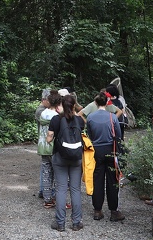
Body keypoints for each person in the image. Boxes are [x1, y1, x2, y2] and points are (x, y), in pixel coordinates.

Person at [47, 93, 85, 231]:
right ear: (74, 105)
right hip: (76, 158)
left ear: (61, 105)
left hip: (60, 157)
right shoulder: (79, 121)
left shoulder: (56, 120)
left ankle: (60, 223)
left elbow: (49, 139)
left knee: (61, 189)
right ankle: (76, 222)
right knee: (75, 189)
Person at [85, 92, 125, 222]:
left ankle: (97, 210)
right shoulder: (112, 117)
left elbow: (89, 134)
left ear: (96, 103)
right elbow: (118, 135)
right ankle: (114, 211)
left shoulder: (90, 117)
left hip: (96, 151)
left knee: (97, 180)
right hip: (111, 150)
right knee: (113, 180)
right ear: (107, 103)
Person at [36, 89, 58, 207]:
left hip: (43, 146)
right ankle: (56, 198)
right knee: (58, 173)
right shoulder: (55, 116)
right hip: (53, 147)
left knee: (46, 173)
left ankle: (47, 198)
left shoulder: (42, 113)